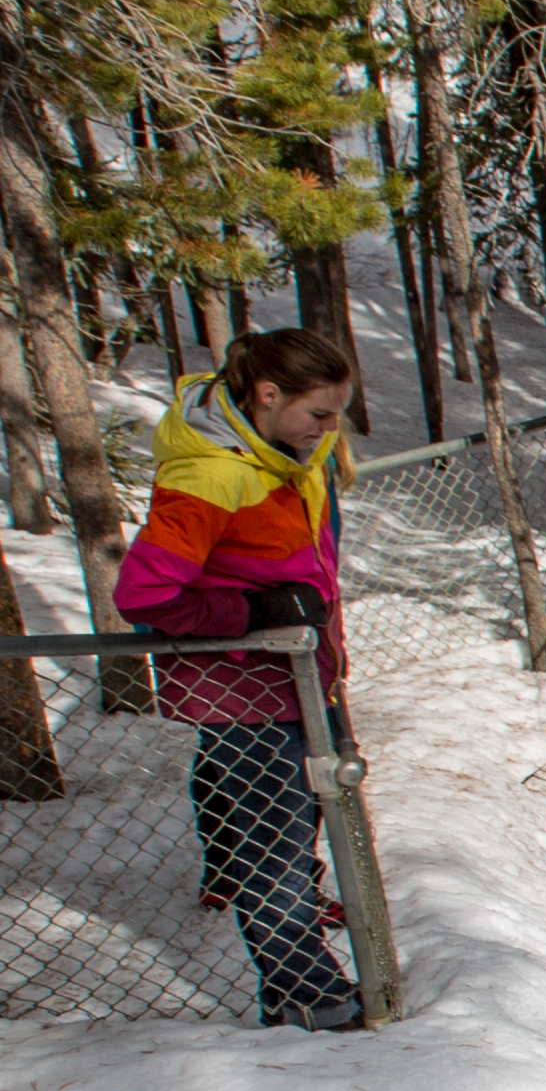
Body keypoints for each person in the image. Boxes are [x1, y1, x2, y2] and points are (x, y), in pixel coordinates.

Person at [116, 326, 362, 1028]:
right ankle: (303, 993)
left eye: (336, 412)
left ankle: (283, 910)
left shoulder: (285, 452)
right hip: (243, 688)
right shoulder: (211, 475)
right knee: (274, 843)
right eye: (319, 413)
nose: (330, 429)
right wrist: (252, 611)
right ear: (266, 393)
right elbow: (144, 597)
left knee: (307, 807)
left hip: (299, 674)